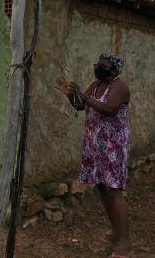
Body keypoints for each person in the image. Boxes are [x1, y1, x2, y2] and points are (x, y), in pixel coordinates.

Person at [54, 53, 133, 258]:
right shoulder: (96, 84)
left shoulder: (120, 87)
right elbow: (81, 105)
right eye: (98, 64)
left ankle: (124, 243)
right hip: (94, 144)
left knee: (114, 190)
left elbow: (110, 109)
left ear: (114, 70)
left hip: (113, 146)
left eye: (104, 66)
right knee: (101, 187)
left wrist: (85, 97)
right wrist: (70, 94)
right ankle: (116, 233)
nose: (99, 68)